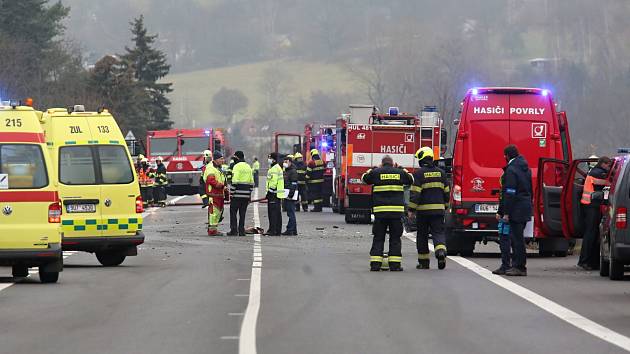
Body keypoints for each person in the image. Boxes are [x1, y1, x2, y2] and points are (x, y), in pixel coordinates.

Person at [362, 155, 413, 271]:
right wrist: (401, 167)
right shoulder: (399, 172)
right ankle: (395, 265)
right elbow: (411, 179)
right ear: (392, 163)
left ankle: (375, 265)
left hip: (380, 213)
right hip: (396, 214)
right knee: (395, 238)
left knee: (378, 237)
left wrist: (373, 168)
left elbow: (364, 178)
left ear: (382, 163)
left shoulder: (376, 172)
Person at [408, 147, 449, 270]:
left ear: (422, 159)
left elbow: (415, 194)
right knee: (438, 232)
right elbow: (446, 192)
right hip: (438, 210)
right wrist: (445, 206)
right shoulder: (441, 173)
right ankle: (440, 252)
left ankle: (424, 262)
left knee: (422, 235)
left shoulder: (418, 174)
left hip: (423, 212)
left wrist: (411, 210)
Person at [500, 144, 533, 276]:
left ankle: (519, 266)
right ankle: (517, 265)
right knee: (519, 238)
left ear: (507, 156)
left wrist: (506, 212)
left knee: (516, 239)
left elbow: (510, 192)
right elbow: (530, 189)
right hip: (525, 206)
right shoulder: (525, 168)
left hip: (516, 208)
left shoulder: (511, 170)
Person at [578, 156, 612, 270]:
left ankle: (590, 261)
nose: (608, 168)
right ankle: (585, 261)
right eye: (608, 165)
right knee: (591, 234)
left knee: (593, 234)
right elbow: (608, 182)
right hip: (591, 206)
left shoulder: (594, 171)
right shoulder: (598, 173)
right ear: (603, 163)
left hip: (591, 205)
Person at [228, 151, 254, 236]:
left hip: (237, 195)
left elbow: (235, 181)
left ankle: (234, 230)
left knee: (233, 212)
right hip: (246, 195)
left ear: (237, 157)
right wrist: (249, 194)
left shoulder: (236, 166)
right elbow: (252, 183)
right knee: (242, 214)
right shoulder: (248, 167)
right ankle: (242, 231)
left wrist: (231, 193)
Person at [493, 166, 511, 275]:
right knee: (513, 239)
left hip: (506, 213)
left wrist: (501, 212)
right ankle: (514, 265)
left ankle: (506, 265)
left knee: (504, 238)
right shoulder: (522, 171)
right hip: (515, 212)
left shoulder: (508, 176)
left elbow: (504, 197)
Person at [204, 151, 226, 236]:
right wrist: (221, 186)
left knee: (218, 212)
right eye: (221, 158)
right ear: (216, 159)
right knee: (214, 212)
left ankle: (214, 229)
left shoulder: (217, 167)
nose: (222, 160)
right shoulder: (211, 168)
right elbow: (211, 180)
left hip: (219, 193)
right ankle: (212, 231)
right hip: (214, 194)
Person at [265, 152, 285, 236]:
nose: (268, 159)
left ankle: (272, 230)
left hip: (273, 194)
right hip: (277, 194)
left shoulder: (274, 169)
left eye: (270, 158)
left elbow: (273, 182)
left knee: (272, 213)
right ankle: (277, 230)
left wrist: (269, 191)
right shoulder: (277, 167)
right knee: (277, 213)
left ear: (273, 159)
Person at [282, 155, 299, 235]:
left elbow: (294, 183)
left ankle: (290, 229)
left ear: (290, 162)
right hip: (287, 193)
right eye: (284, 162)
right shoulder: (287, 170)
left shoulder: (292, 171)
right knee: (290, 212)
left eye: (286, 162)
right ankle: (294, 230)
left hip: (290, 194)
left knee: (291, 213)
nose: (284, 163)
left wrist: (290, 194)